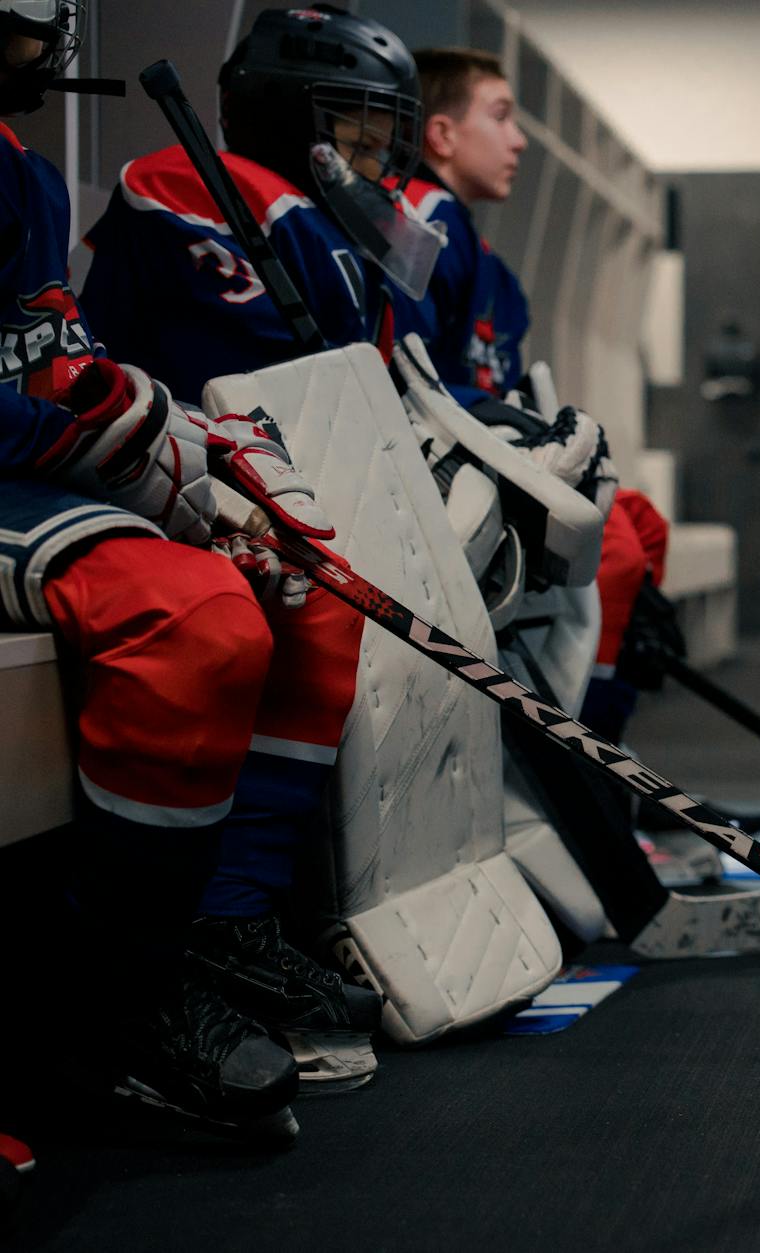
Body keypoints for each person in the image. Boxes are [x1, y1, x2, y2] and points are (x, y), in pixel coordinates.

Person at [0, 0, 373, 1139]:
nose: (40, 42)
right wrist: (102, 440)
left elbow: (49, 353)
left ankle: (224, 918)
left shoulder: (21, 171)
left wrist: (194, 444)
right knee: (194, 617)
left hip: (17, 469)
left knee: (309, 578)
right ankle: (118, 999)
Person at [78, 4, 434, 1090]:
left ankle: (251, 915)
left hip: (247, 474)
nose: (370, 154)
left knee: (331, 605)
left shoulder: (330, 218)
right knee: (288, 604)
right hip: (149, 476)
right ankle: (209, 930)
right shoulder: (191, 185)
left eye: (383, 132)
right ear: (283, 113)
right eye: (351, 127)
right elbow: (232, 372)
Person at [407, 46, 675, 744]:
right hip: (437, 473)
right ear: (440, 134)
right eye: (500, 116)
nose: (519, 138)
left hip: (484, 457)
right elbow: (407, 379)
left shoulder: (479, 251)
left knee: (641, 523)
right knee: (611, 551)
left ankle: (607, 760)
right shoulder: (421, 221)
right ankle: (584, 761)